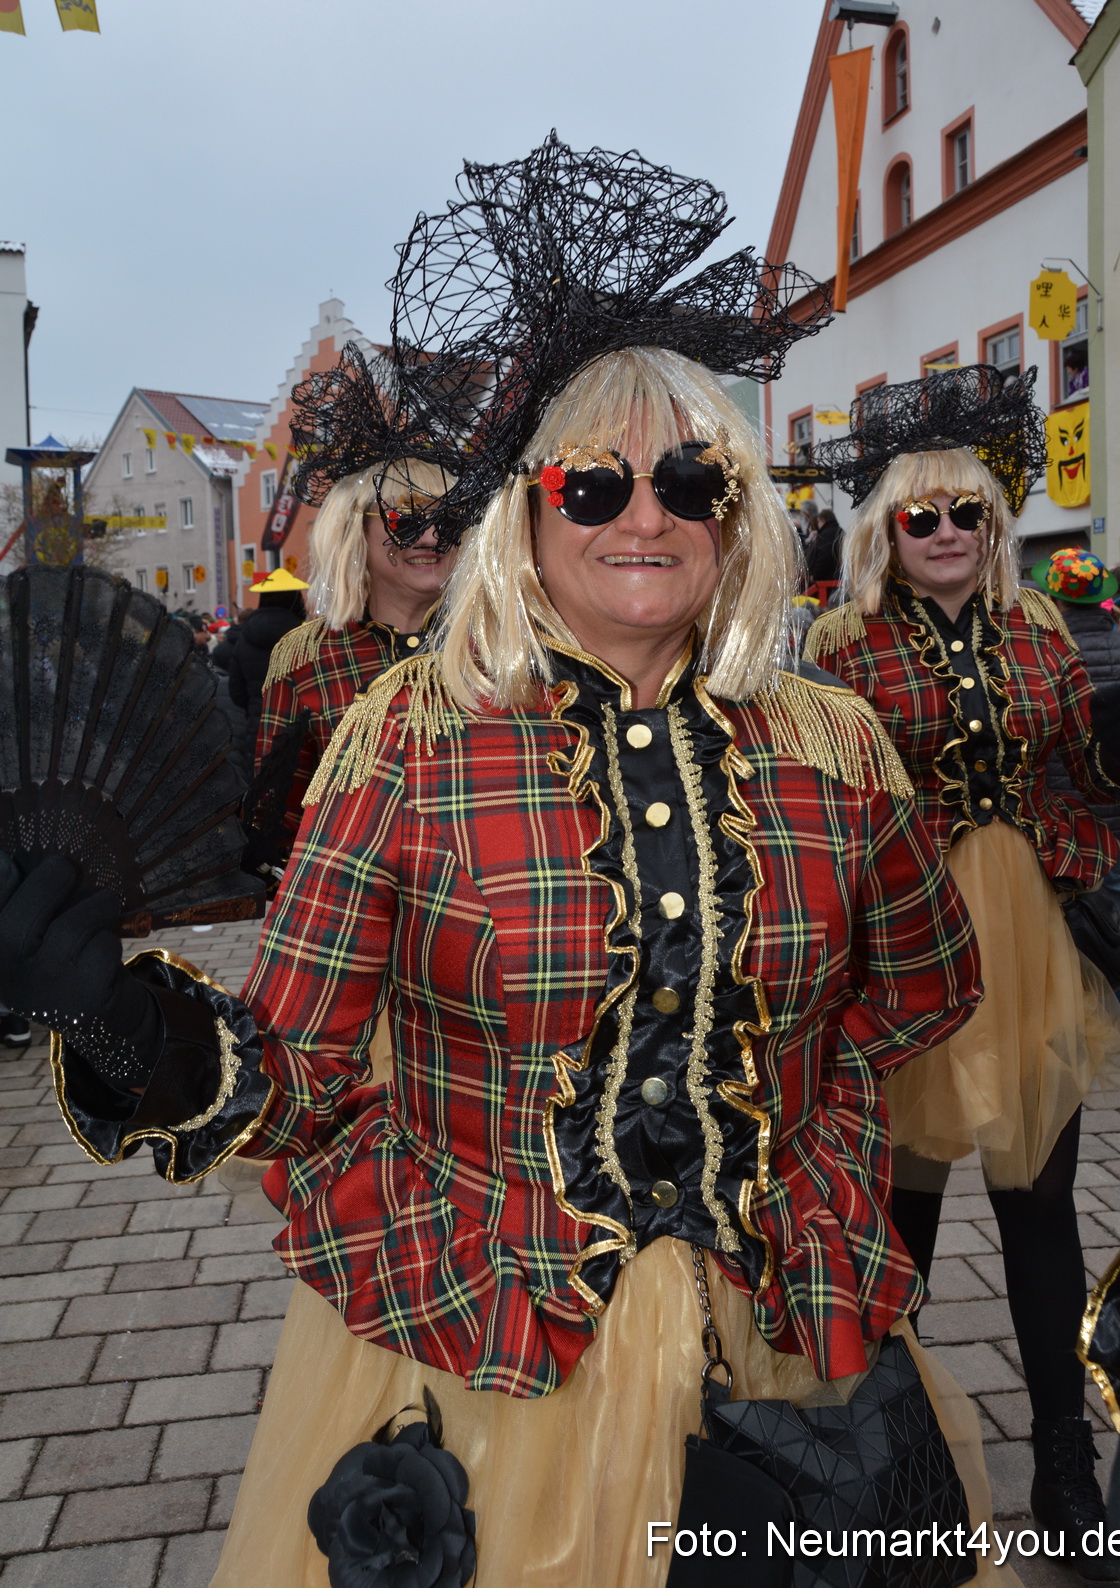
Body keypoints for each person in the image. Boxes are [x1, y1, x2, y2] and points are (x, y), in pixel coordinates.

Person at [0, 139, 1013, 1588]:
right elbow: (290, 1076)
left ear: (734, 511)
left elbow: (918, 992)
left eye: (685, 477)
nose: (643, 515)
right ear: (523, 515)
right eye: (591, 484)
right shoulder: (404, 737)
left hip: (788, 1332)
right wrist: (110, 1014)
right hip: (492, 1358)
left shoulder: (834, 741)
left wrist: (791, 1112)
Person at [809, 365, 1120, 1580]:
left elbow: (1077, 778)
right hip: (905, 947)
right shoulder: (839, 645)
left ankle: (1061, 1472)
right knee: (901, 1216)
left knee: (1041, 1206)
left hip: (1027, 939)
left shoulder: (1039, 629)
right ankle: (897, 1466)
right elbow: (823, 810)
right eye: (924, 517)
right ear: (887, 532)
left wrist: (1112, 790)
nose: (950, 534)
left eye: (971, 516)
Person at [248, 459, 454, 872]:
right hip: (352, 915)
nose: (433, 536)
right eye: (406, 518)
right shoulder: (308, 657)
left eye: (450, 518)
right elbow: (277, 822)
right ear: (354, 531)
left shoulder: (504, 649)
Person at [1039, 549, 1120, 1056]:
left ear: (1056, 598)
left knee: (1066, 922)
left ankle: (1078, 1024)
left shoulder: (1045, 658)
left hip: (1066, 815)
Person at [227, 569, 309, 768]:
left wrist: (255, 705)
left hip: (258, 727)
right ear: (296, 600)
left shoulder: (245, 637)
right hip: (302, 731)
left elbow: (236, 691)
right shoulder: (307, 636)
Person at [806, 505, 843, 584]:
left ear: (823, 520)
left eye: (818, 521)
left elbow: (824, 555)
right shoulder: (840, 531)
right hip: (839, 577)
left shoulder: (826, 535)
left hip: (826, 579)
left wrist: (815, 575)